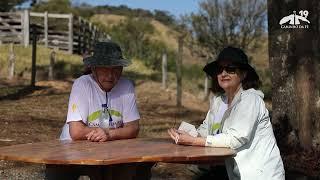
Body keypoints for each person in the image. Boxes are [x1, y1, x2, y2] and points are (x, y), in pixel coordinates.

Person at [168, 47, 285, 180]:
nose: (223, 73)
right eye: (219, 69)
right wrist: (187, 134)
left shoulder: (250, 100)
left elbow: (235, 138)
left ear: (243, 74)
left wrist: (194, 141)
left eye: (230, 69)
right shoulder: (219, 102)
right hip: (234, 173)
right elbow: (207, 130)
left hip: (261, 175)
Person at [46, 41, 151, 180]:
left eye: (116, 69)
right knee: (58, 171)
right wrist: (103, 134)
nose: (110, 75)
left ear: (122, 69)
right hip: (73, 147)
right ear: (93, 69)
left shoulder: (126, 85)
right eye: (105, 69)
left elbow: (133, 128)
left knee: (141, 166)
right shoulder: (82, 85)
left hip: (111, 147)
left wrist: (108, 134)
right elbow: (76, 131)